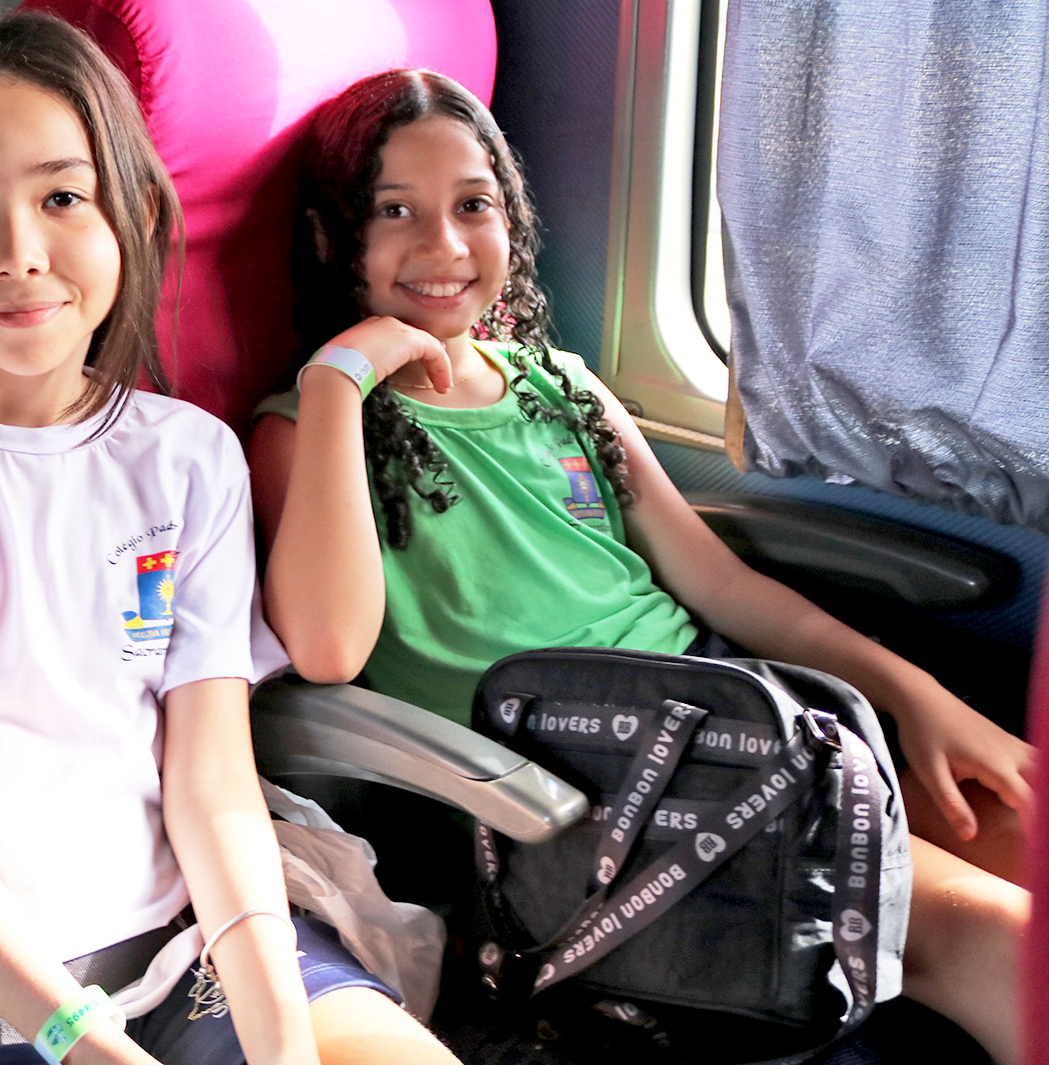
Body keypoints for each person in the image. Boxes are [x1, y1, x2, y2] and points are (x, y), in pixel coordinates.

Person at [0, 16, 458, 1065]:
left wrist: (280, 1038)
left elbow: (211, 782)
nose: (16, 253)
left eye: (62, 198)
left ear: (136, 215)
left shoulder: (187, 457)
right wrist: (82, 1040)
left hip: (179, 946)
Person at [248, 69, 1034, 1064]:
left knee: (1021, 828)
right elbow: (327, 648)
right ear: (329, 239)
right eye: (393, 211)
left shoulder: (560, 388)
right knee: (1003, 942)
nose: (443, 246)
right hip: (590, 787)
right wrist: (338, 376)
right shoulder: (308, 432)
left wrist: (918, 700)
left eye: (472, 206)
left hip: (737, 720)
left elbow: (722, 587)